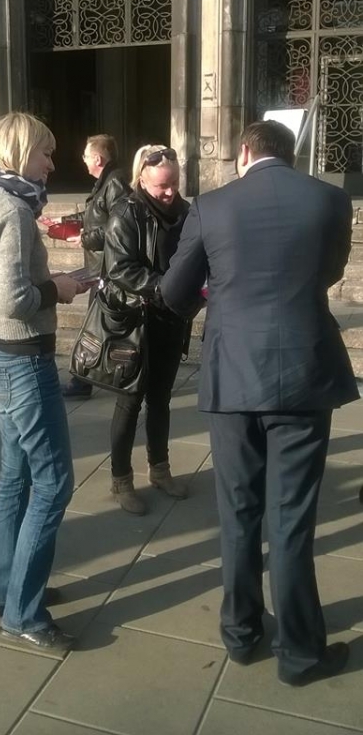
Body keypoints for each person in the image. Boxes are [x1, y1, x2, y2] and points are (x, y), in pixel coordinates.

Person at [161, 120, 359, 686]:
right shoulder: (330, 199)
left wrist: (220, 288)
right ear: (290, 154)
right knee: (292, 519)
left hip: (233, 375)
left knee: (238, 511)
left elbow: (174, 293)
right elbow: (328, 273)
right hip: (302, 373)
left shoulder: (212, 206)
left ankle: (242, 633)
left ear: (244, 152)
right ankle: (299, 653)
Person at [0, 111, 84, 653]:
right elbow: (12, 300)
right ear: (19, 153)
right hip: (25, 363)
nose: (52, 164)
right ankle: (23, 614)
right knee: (53, 483)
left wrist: (25, 291)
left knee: (16, 477)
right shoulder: (14, 210)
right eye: (45, 153)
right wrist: (58, 288)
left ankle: (4, 589)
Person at [103, 144, 194, 515]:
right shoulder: (126, 212)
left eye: (174, 183)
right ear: (141, 179)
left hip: (172, 318)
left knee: (161, 398)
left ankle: (160, 469)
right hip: (135, 321)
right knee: (129, 401)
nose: (170, 192)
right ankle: (121, 479)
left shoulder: (186, 212)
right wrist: (166, 287)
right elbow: (120, 269)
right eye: (161, 186)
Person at [62, 134, 131, 399]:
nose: (83, 160)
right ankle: (93, 378)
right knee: (101, 327)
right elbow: (95, 215)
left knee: (95, 328)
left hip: (108, 270)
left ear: (98, 159)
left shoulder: (115, 182)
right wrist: (65, 221)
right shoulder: (106, 181)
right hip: (101, 269)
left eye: (86, 155)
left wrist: (85, 238)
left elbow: (118, 226)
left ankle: (82, 381)